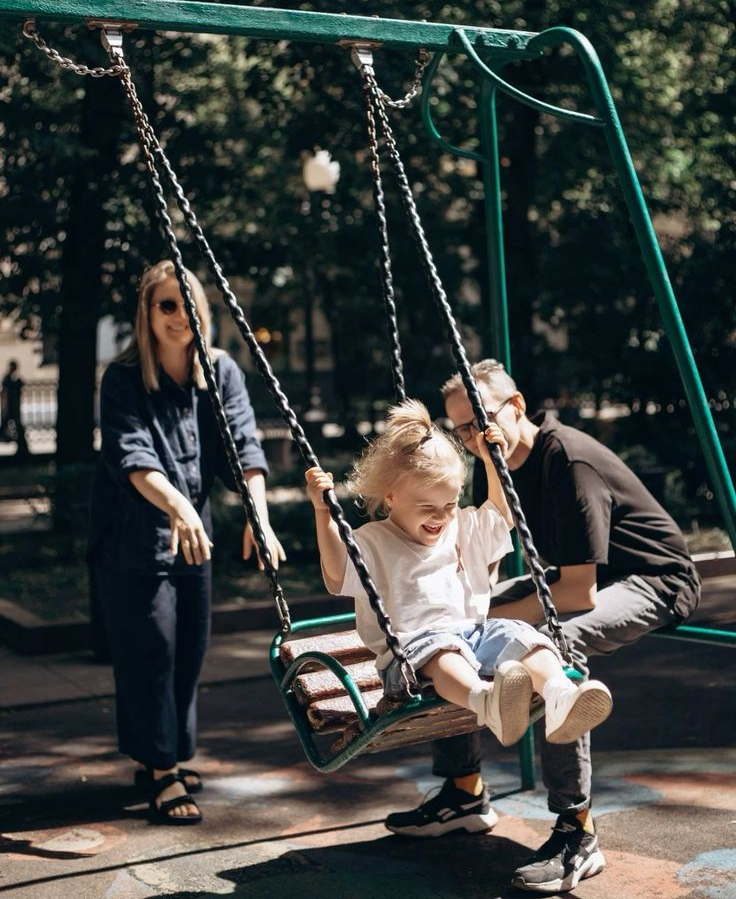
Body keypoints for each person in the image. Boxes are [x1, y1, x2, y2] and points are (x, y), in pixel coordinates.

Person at [385, 360, 701, 894]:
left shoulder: (568, 462)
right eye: (459, 428)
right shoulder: (498, 466)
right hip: (579, 576)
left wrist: (483, 623)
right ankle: (464, 791)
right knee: (447, 633)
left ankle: (577, 829)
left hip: (651, 579)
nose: (471, 437)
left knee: (556, 640)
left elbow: (579, 594)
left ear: (517, 405)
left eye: (480, 420)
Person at [89, 259, 285, 825]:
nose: (180, 316)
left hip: (191, 536)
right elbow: (133, 456)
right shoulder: (123, 378)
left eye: (188, 303)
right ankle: (161, 769)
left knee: (189, 650)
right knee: (150, 650)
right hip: (134, 537)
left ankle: (166, 753)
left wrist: (261, 518)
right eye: (166, 305)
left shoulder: (220, 373)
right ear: (146, 315)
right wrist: (176, 505)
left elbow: (244, 449)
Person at [305, 400, 612, 754]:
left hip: (473, 635)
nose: (441, 517)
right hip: (409, 654)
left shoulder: (461, 526)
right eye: (427, 508)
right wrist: (322, 512)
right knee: (443, 650)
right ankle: (487, 702)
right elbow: (336, 574)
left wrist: (490, 461)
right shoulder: (373, 542)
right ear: (391, 497)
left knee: (522, 634)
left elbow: (500, 514)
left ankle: (560, 696)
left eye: (449, 505)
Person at [1, 360, 29, 458]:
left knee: (16, 428)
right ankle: (23, 448)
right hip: (11, 407)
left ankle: (22, 448)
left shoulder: (8, 378)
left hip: (11, 408)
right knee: (16, 428)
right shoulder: (8, 379)